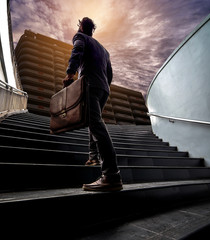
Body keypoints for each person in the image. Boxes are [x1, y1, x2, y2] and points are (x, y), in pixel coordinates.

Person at [64, 17, 122, 191]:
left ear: (81, 27)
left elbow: (77, 51)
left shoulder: (80, 37)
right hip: (103, 88)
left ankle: (111, 175)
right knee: (93, 122)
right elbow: (109, 73)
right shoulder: (104, 50)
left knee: (96, 124)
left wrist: (70, 73)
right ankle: (93, 157)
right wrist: (104, 86)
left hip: (89, 84)